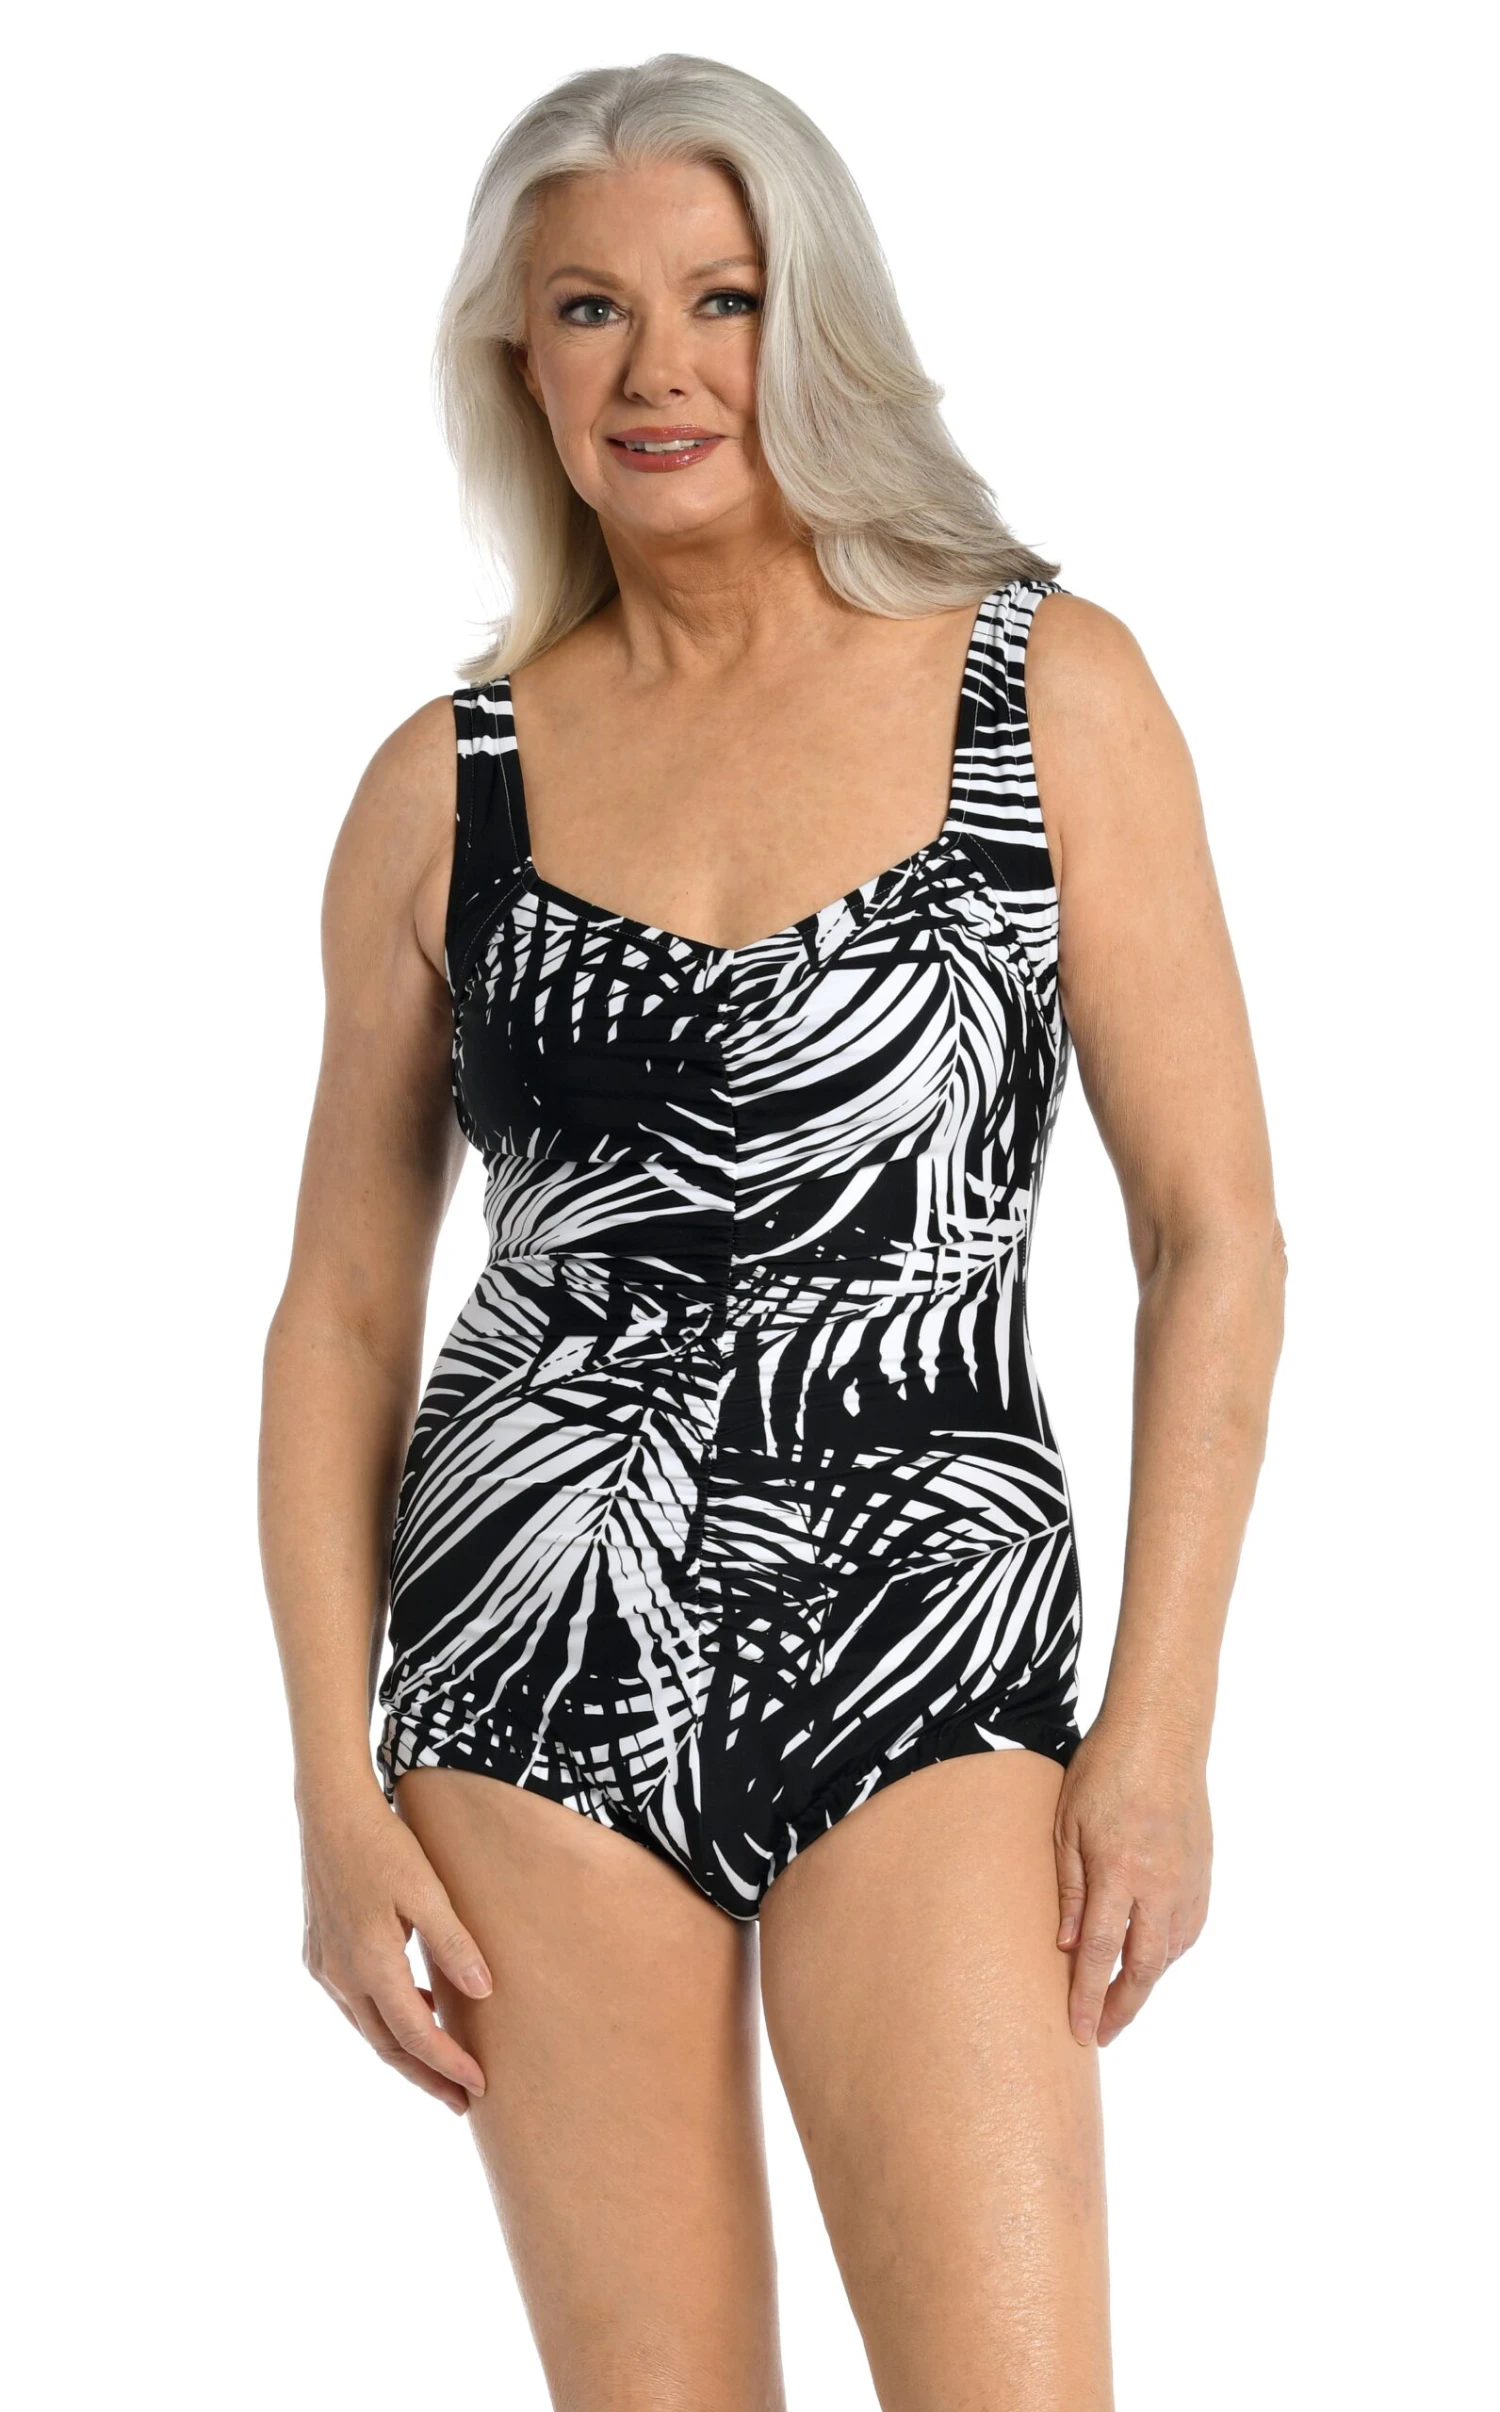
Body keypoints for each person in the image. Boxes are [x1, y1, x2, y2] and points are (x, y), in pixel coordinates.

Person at [259, 51, 1286, 2412]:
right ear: (521, 360)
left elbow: (1216, 1232)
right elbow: (340, 1316)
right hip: (530, 1642)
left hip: (931, 1633)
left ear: (809, 319)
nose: (660, 368)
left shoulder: (1046, 686)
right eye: (590, 309)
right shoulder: (446, 784)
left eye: (720, 298)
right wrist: (330, 1791)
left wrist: (1158, 1735)